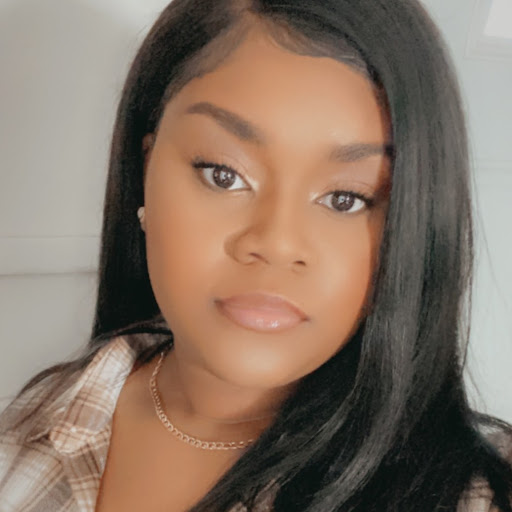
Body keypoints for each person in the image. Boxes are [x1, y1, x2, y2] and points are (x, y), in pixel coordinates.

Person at [1, 0, 511, 510]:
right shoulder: (35, 422)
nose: (276, 243)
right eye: (223, 175)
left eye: (345, 199)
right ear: (146, 169)